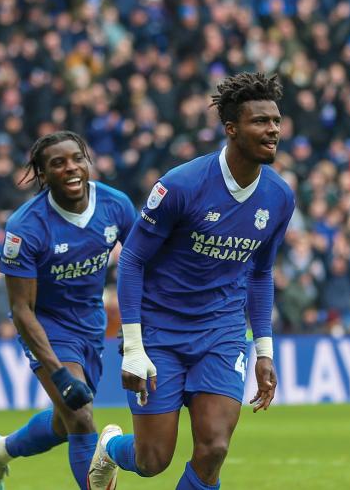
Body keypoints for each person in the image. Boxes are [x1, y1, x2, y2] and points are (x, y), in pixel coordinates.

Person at [88, 73, 295, 490]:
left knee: (214, 448)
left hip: (221, 332)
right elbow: (132, 260)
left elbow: (259, 272)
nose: (272, 129)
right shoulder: (181, 185)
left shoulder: (279, 196)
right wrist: (132, 344)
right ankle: (111, 448)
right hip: (160, 332)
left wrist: (264, 351)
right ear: (231, 128)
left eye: (276, 120)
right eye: (260, 121)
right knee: (152, 460)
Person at [0, 131, 137, 490]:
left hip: (92, 325)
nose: (71, 168)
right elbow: (21, 309)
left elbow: (143, 264)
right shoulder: (25, 227)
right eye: (58, 163)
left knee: (66, 422)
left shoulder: (116, 205)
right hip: (47, 326)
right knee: (81, 418)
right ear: (42, 175)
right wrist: (58, 374)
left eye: (77, 158)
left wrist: (135, 325)